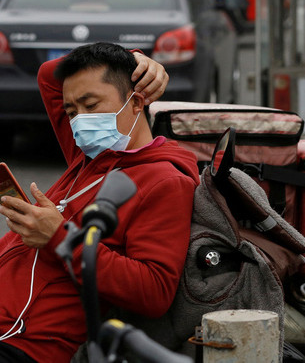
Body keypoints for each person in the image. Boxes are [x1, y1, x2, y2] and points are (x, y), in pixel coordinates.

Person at [0, 42, 200, 363]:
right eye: (71, 112)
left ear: (136, 103)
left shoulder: (165, 180)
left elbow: (154, 290)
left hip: (27, 345)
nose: (79, 122)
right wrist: (134, 58)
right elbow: (48, 75)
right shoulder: (89, 154)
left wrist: (58, 237)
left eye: (91, 105)